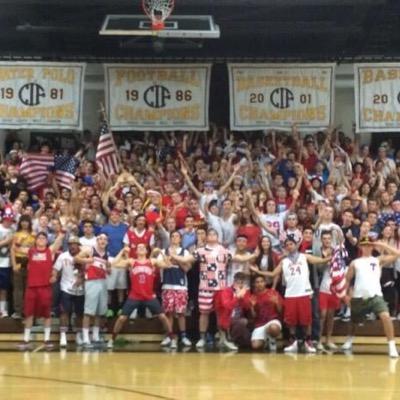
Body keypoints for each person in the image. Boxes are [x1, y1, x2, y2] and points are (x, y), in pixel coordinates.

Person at [261, 237, 330, 353]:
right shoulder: (284, 261)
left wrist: (331, 257)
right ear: (285, 247)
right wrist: (258, 271)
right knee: (291, 320)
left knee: (306, 320)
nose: (289, 246)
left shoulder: (304, 257)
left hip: (304, 292)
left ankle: (307, 341)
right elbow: (273, 273)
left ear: (296, 245)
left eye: (291, 244)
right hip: (290, 294)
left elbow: (319, 260)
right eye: (287, 245)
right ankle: (293, 342)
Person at [107, 243, 175, 349]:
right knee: (121, 318)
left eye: (143, 247)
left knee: (163, 316)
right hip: (134, 295)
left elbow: (168, 265)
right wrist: (122, 251)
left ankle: (172, 339)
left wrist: (161, 252)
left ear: (147, 251)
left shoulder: (152, 261)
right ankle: (112, 339)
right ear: (136, 251)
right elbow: (114, 264)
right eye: (139, 247)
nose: (141, 248)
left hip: (149, 296)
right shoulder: (132, 261)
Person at [342, 237, 400, 358]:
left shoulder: (378, 260)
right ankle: (350, 339)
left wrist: (381, 244)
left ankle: (391, 346)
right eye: (364, 245)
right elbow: (347, 280)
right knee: (354, 321)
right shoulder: (355, 262)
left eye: (369, 245)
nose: (367, 247)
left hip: (376, 296)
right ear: (360, 247)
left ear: (372, 247)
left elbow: (397, 254)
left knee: (386, 316)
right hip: (358, 296)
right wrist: (345, 296)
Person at [19, 231, 64, 350]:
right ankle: (25, 340)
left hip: (45, 287)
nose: (41, 239)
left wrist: (63, 231)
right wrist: (19, 240)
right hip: (31, 287)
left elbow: (59, 240)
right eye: (39, 237)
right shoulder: (31, 251)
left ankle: (47, 340)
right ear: (36, 240)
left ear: (46, 240)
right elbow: (15, 248)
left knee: (47, 314)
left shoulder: (50, 251)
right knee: (29, 314)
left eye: (44, 237)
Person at [74, 233, 111, 348]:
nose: (103, 241)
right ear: (97, 240)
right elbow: (76, 258)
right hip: (91, 281)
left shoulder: (107, 254)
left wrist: (108, 268)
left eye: (105, 239)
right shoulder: (90, 250)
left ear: (107, 242)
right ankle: (85, 338)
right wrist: (87, 261)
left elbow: (106, 269)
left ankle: (95, 336)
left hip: (103, 282)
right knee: (89, 311)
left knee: (100, 311)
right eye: (100, 239)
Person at [159, 231, 194, 347]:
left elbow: (187, 268)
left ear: (180, 239)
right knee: (169, 313)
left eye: (177, 236)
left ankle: (183, 336)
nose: (175, 238)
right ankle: (170, 336)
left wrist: (176, 258)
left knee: (181, 313)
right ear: (170, 239)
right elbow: (162, 264)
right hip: (168, 284)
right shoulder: (163, 251)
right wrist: (171, 259)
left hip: (181, 285)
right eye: (172, 236)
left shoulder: (185, 252)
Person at [53, 235, 84, 347]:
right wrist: (54, 276)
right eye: (70, 244)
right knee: (64, 312)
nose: (72, 246)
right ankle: (63, 335)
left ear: (78, 245)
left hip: (80, 289)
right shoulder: (63, 256)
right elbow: (56, 269)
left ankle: (79, 335)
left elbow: (90, 270)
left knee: (80, 314)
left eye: (75, 244)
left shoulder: (85, 256)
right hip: (65, 287)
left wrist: (83, 279)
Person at [247, 275, 283, 352]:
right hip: (260, 324)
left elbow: (280, 311)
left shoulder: (273, 293)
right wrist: (252, 307)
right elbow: (254, 317)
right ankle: (266, 340)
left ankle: (272, 339)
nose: (259, 284)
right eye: (257, 282)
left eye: (261, 282)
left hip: (272, 321)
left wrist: (277, 303)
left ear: (265, 283)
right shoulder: (253, 297)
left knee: (273, 328)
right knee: (255, 346)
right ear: (254, 284)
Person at [214, 272, 249, 350]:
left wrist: (242, 297)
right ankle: (226, 339)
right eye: (238, 282)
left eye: (242, 282)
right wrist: (237, 297)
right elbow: (227, 306)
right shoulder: (226, 291)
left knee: (246, 336)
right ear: (234, 281)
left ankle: (230, 340)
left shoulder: (244, 291)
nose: (240, 284)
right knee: (242, 322)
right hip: (226, 317)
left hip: (237, 318)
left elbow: (247, 307)